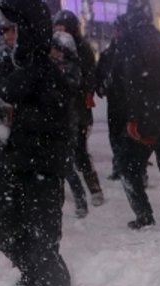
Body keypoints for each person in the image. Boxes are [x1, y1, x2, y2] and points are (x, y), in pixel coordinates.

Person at [0, 0, 73, 286]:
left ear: (30, 29)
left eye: (11, 29)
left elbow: (61, 122)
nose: (5, 35)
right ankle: (32, 273)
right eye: (2, 30)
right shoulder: (3, 67)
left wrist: (14, 117)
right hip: (6, 164)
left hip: (40, 169)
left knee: (42, 238)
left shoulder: (48, 73)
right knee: (3, 228)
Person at [115, 0, 160, 234]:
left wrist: (133, 118)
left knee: (127, 167)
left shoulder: (131, 41)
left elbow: (133, 83)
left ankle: (143, 214)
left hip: (146, 118)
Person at [53, 9, 105, 208]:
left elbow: (90, 76)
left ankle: (94, 188)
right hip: (58, 109)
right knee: (59, 152)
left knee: (80, 151)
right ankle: (61, 193)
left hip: (78, 109)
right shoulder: (52, 48)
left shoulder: (82, 49)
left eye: (63, 28)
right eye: (57, 28)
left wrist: (86, 91)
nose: (60, 32)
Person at [50, 30, 90, 218]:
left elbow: (70, 88)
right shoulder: (51, 66)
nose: (53, 52)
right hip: (54, 122)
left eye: (56, 49)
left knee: (66, 165)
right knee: (56, 166)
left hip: (66, 123)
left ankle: (80, 200)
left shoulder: (70, 68)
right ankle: (57, 202)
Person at [95, 15, 126, 180]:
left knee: (127, 136)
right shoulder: (109, 53)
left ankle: (131, 167)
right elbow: (100, 73)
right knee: (116, 134)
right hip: (115, 101)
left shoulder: (129, 51)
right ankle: (120, 165)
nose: (117, 32)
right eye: (116, 29)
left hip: (128, 101)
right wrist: (101, 86)